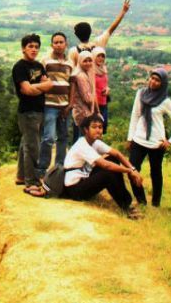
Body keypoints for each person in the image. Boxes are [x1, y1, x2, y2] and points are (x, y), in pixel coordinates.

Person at [63, 115, 144, 219]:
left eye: (100, 127)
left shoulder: (95, 142)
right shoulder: (82, 145)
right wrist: (129, 171)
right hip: (74, 189)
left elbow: (117, 154)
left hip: (84, 179)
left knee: (112, 159)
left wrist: (133, 169)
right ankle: (126, 207)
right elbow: (105, 165)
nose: (98, 130)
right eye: (94, 127)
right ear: (86, 130)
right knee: (107, 174)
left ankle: (123, 197)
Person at [126, 68, 171, 207]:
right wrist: (130, 138)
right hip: (139, 139)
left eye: (157, 80)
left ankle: (156, 203)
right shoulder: (141, 93)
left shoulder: (165, 101)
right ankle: (141, 201)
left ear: (162, 83)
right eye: (152, 78)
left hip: (156, 143)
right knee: (132, 170)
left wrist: (170, 141)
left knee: (156, 173)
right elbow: (135, 115)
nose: (153, 81)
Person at [12, 34, 53, 197]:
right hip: (27, 111)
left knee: (26, 143)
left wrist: (36, 87)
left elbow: (45, 86)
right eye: (30, 46)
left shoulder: (39, 65)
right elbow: (27, 90)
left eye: (36, 47)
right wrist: (43, 86)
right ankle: (32, 183)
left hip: (39, 109)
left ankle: (22, 176)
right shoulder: (19, 67)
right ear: (23, 48)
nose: (34, 50)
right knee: (33, 146)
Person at [37, 32, 72, 177]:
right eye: (56, 42)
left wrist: (69, 105)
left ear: (66, 44)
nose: (58, 44)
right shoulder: (45, 61)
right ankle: (42, 169)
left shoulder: (70, 63)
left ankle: (59, 169)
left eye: (61, 42)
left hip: (64, 106)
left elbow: (71, 84)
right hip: (49, 105)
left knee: (63, 137)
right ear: (52, 45)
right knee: (49, 137)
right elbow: (39, 80)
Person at [67, 0, 131, 68]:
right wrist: (123, 12)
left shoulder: (73, 51)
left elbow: (71, 70)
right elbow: (111, 29)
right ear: (90, 32)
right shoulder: (98, 44)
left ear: (76, 35)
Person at [69, 50, 98, 144]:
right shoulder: (81, 76)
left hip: (80, 111)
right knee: (83, 140)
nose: (88, 63)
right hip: (83, 112)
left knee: (81, 138)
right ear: (80, 61)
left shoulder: (82, 72)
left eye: (90, 60)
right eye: (85, 61)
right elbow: (88, 98)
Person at [92, 46, 110, 133]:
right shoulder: (90, 70)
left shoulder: (104, 69)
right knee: (94, 128)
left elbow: (105, 84)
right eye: (98, 56)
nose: (100, 58)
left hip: (104, 102)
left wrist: (107, 89)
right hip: (94, 104)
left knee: (103, 126)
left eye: (102, 56)